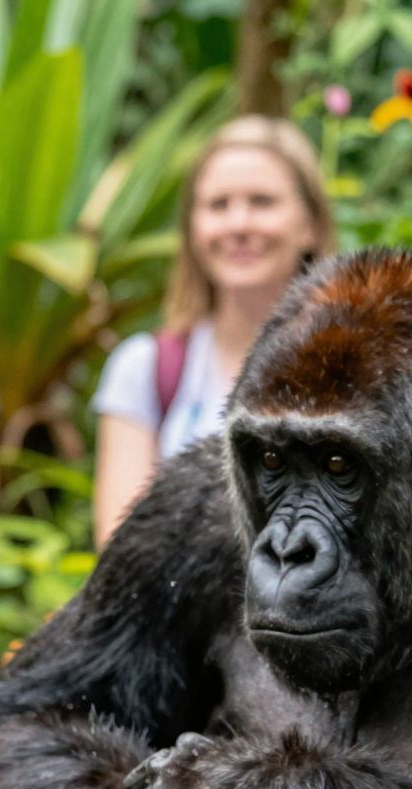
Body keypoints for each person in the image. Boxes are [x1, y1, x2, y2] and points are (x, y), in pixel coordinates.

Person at [90, 116, 335, 548]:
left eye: (262, 202)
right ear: (192, 229)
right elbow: (122, 549)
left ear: (310, 224)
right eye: (218, 205)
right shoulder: (146, 369)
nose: (238, 224)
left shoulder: (363, 369)